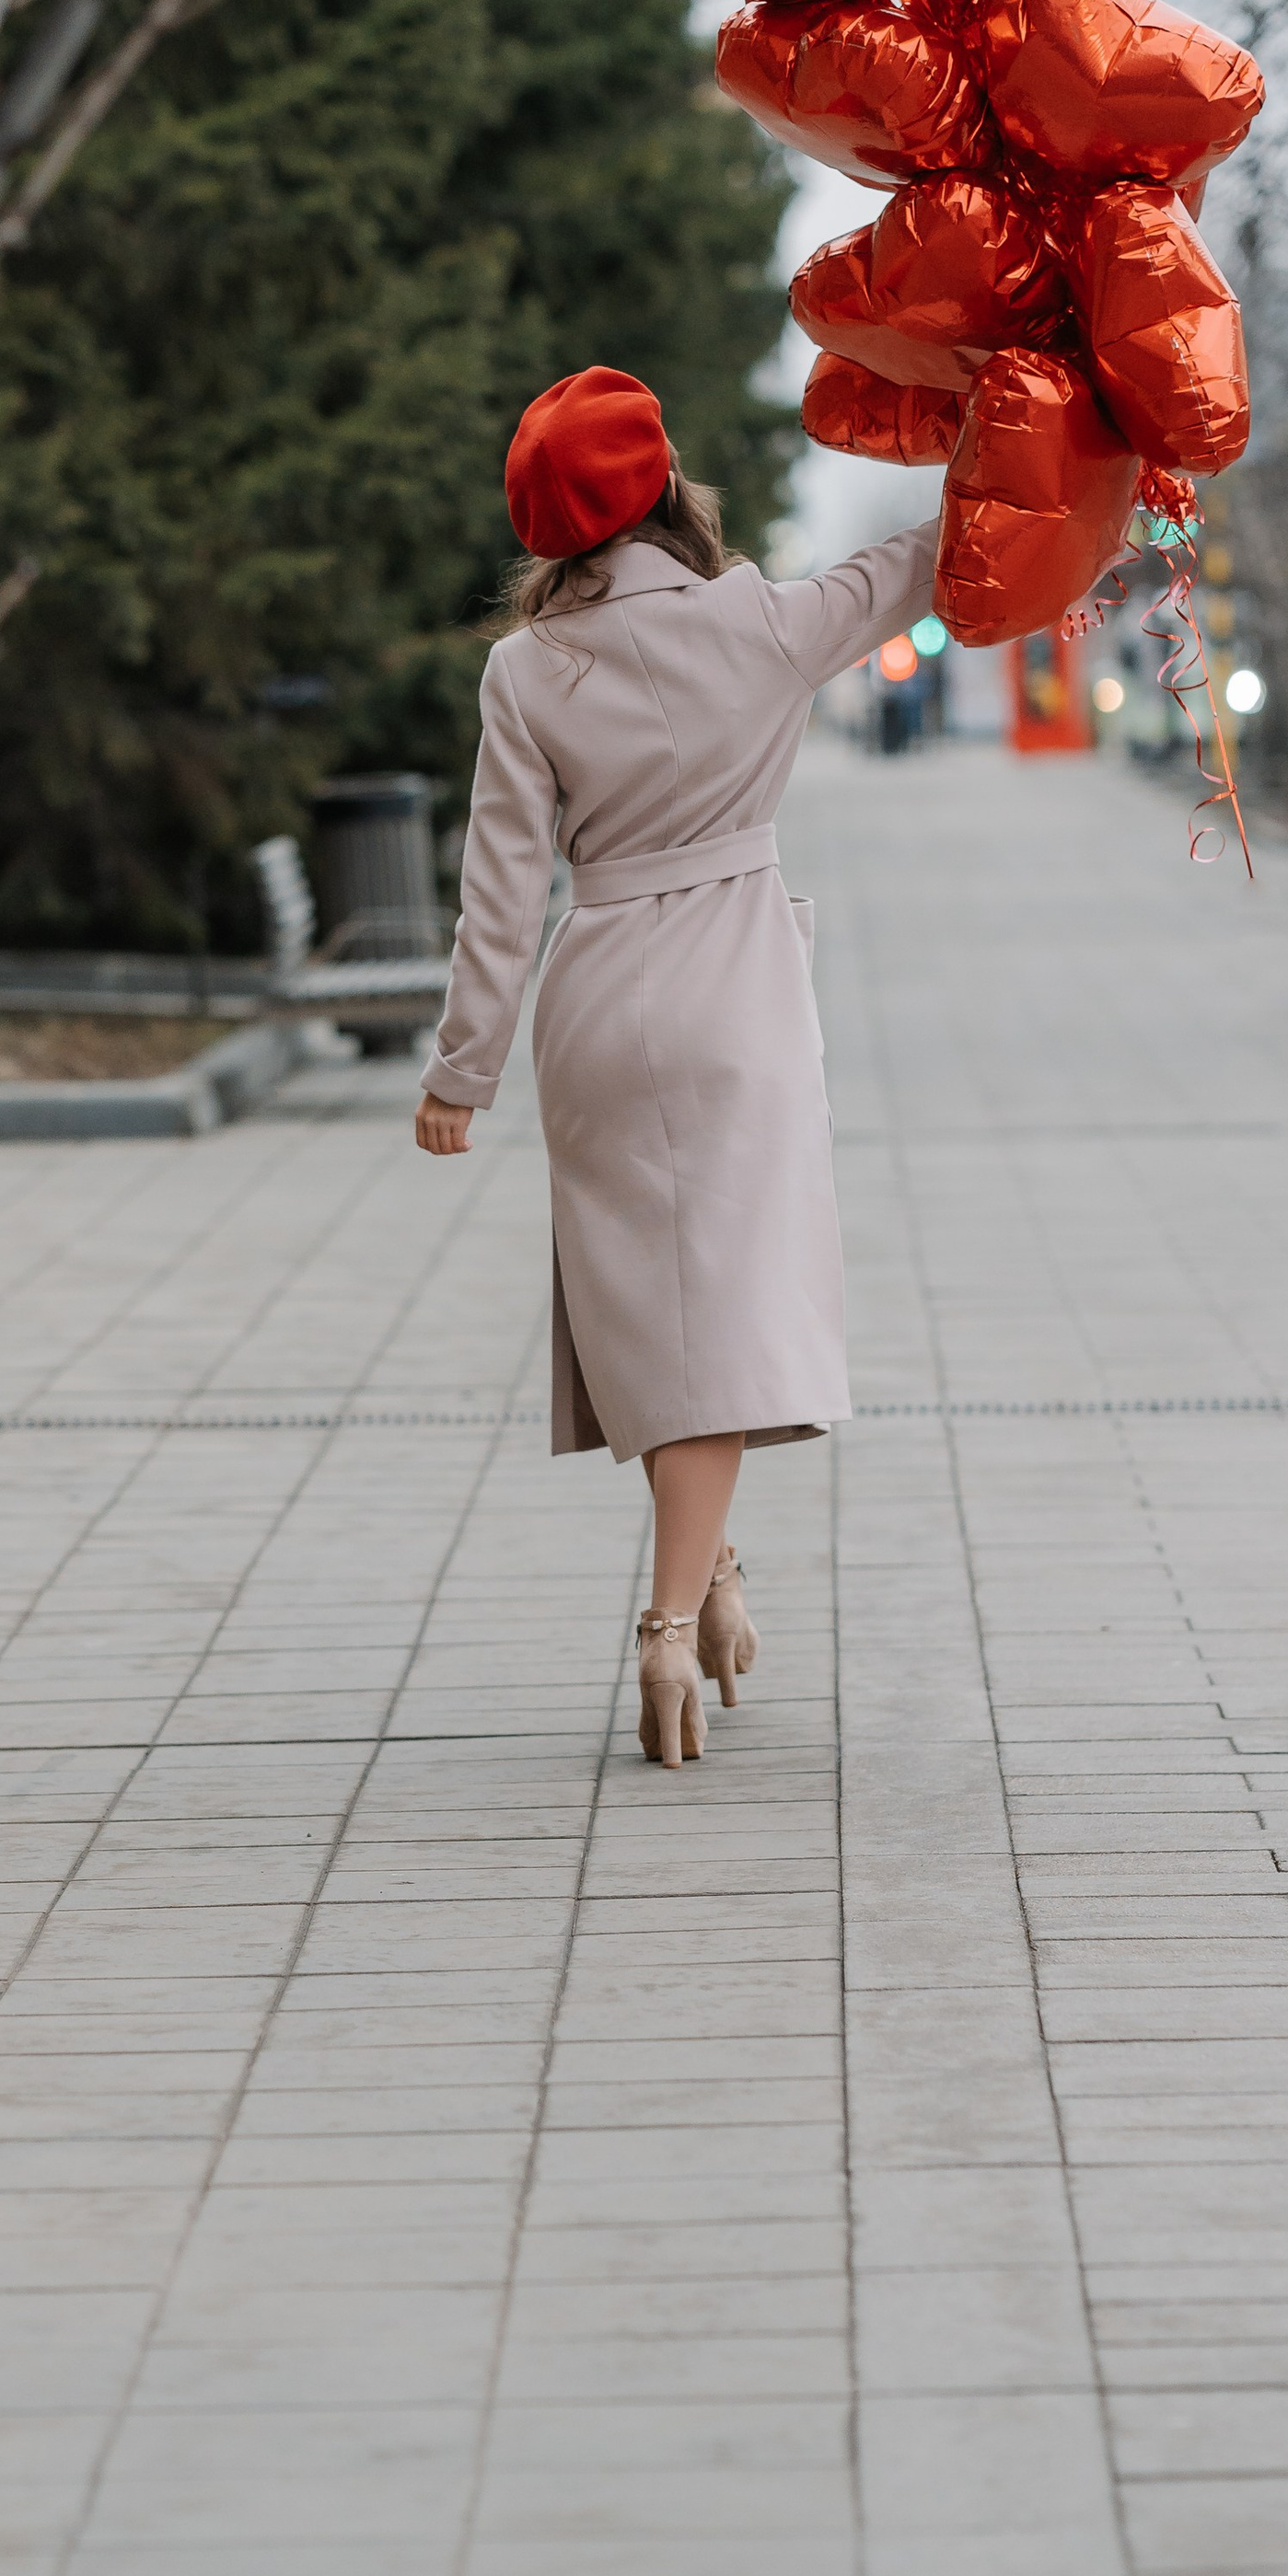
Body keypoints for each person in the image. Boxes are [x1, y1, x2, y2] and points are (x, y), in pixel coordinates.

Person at [413, 365, 940, 1765]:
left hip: (596, 997)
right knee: (714, 1326)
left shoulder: (526, 669)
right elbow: (920, 562)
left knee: (658, 1318)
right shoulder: (760, 626)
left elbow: (500, 887)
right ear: (662, 490)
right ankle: (663, 1628)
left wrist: (460, 1071)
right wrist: (1068, 446)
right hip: (735, 990)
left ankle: (708, 1572)